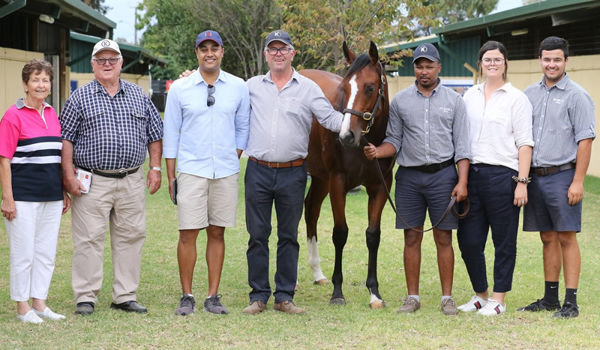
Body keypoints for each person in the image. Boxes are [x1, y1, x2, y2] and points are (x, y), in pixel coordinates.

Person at [242, 30, 345, 314]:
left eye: (283, 48)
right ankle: (258, 296)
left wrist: (360, 121)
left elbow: (330, 118)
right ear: (266, 54)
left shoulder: (309, 88)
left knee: (289, 235)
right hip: (258, 170)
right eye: (272, 49)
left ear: (292, 53)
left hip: (293, 172)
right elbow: (223, 96)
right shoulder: (250, 86)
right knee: (257, 235)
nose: (277, 53)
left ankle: (284, 297)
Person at [363, 43, 470, 316]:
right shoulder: (400, 101)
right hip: (409, 177)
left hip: (444, 176)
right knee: (411, 237)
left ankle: (447, 298)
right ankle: (412, 297)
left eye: (429, 66)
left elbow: (463, 147)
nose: (424, 71)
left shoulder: (454, 101)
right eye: (419, 66)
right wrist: (378, 151)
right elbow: (394, 141)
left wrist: (462, 182)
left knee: (443, 238)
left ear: (439, 68)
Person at [60, 39, 163, 315]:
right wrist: (67, 175)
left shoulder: (139, 95)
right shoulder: (79, 97)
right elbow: (66, 139)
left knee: (131, 236)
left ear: (120, 63)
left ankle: (125, 295)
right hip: (92, 180)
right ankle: (85, 297)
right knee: (88, 238)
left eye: (112, 59)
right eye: (101, 60)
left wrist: (155, 168)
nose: (107, 64)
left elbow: (155, 134)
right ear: (93, 65)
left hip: (131, 179)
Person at [163, 30, 250, 315]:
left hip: (224, 171)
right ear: (197, 53)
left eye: (215, 48)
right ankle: (187, 295)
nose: (209, 53)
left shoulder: (238, 87)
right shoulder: (180, 88)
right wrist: (171, 175)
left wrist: (231, 155)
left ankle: (212, 296)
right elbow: (171, 132)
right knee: (188, 232)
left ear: (222, 52)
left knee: (217, 231)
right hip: (191, 170)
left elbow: (242, 128)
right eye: (204, 48)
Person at [517, 36, 595, 319]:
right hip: (535, 178)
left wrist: (577, 181)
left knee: (566, 237)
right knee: (547, 237)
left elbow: (585, 141)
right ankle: (550, 298)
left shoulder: (577, 95)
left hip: (563, 176)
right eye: (547, 59)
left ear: (566, 61)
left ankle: (570, 303)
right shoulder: (528, 94)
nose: (551, 64)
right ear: (540, 59)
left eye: (557, 59)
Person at [456, 40, 533, 316]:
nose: (492, 64)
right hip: (472, 176)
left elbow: (525, 143)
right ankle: (480, 294)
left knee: (504, 241)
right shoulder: (469, 96)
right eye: (487, 59)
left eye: (497, 60)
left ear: (505, 63)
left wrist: (522, 182)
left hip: (504, 176)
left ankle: (498, 299)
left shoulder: (517, 98)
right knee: (469, 240)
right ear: (480, 63)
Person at [0, 59, 70, 324]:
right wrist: (8, 198)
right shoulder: (12, 116)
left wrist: (63, 191)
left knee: (45, 252)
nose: (41, 85)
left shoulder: (52, 114)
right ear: (25, 84)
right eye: (35, 80)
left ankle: (40, 303)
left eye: (45, 80)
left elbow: (55, 158)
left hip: (51, 196)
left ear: (50, 85)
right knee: (23, 253)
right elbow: (4, 159)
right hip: (23, 197)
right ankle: (22, 307)